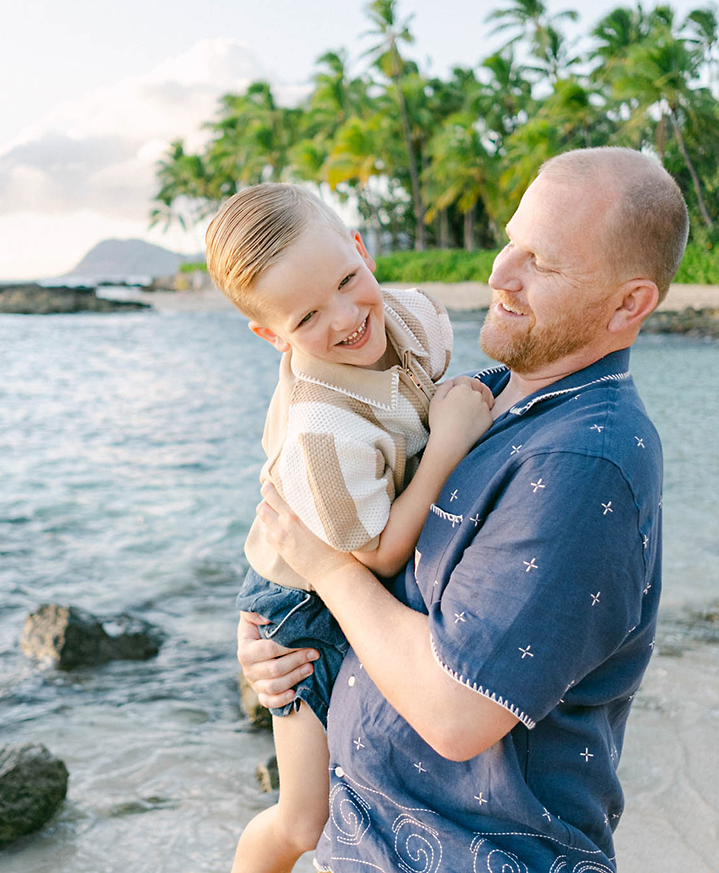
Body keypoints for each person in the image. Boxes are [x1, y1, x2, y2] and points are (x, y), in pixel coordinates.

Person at [242, 146, 690, 872]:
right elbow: (314, 507)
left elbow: (456, 714)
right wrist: (270, 638)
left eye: (541, 262)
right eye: (511, 239)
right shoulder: (477, 396)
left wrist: (323, 570)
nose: (498, 274)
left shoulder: (584, 460)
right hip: (362, 837)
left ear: (628, 303)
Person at [205, 182, 495, 873]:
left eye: (346, 279)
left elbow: (433, 388)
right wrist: (449, 445)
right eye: (306, 315)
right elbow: (375, 552)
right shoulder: (319, 430)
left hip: (356, 550)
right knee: (307, 819)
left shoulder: (408, 318)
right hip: (302, 601)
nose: (343, 319)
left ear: (362, 250)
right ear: (271, 335)